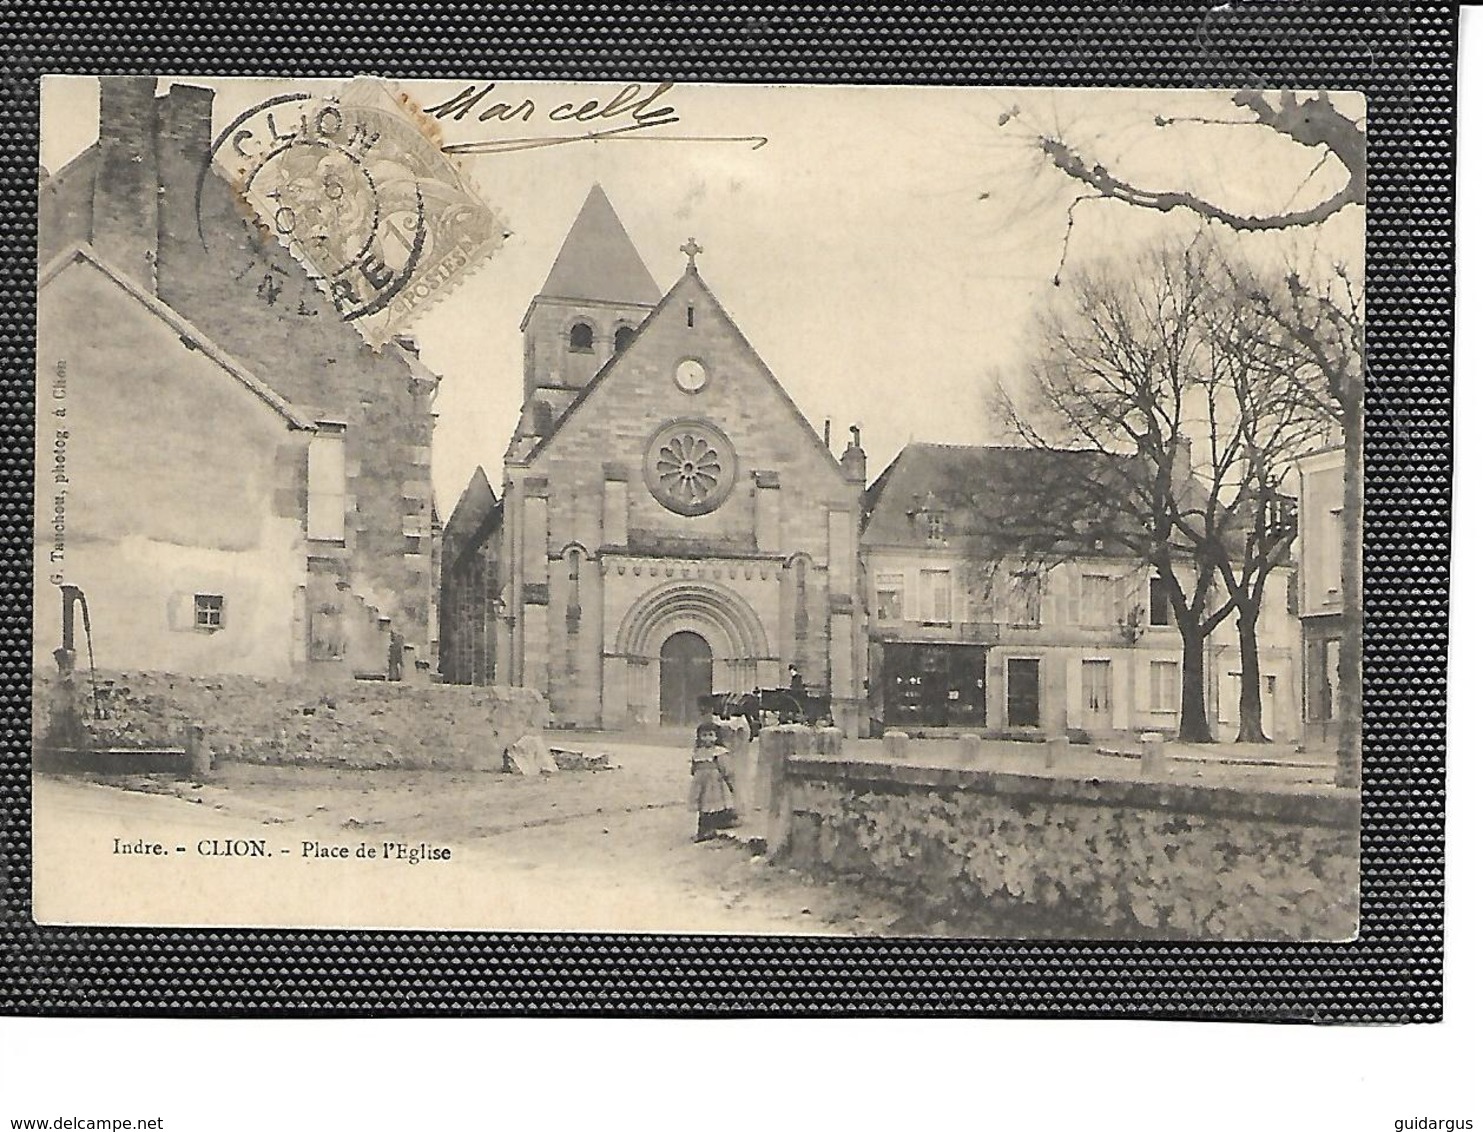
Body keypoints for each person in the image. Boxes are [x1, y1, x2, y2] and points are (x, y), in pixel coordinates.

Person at [688, 720, 738, 842]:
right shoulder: (698, 752)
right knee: (703, 808)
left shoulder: (719, 752)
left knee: (713, 806)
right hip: (701, 784)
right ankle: (702, 831)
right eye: (704, 735)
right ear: (699, 737)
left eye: (711, 735)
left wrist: (728, 781)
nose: (707, 739)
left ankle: (713, 829)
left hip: (715, 783)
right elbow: (694, 767)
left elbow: (726, 768)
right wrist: (695, 774)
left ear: (716, 737)